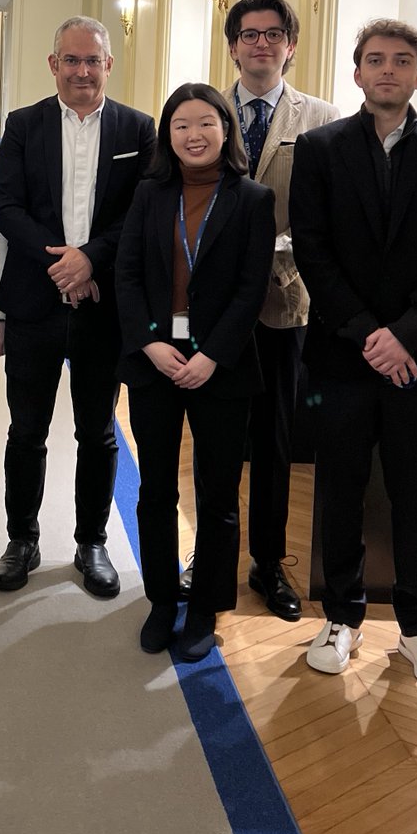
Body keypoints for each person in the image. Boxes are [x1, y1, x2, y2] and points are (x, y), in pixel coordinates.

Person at [290, 19, 417, 692]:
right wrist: (372, 333)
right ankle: (341, 617)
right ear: (357, 73)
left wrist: (405, 333)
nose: (389, 71)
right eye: (376, 60)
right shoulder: (318, 149)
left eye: (402, 61)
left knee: (414, 498)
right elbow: (312, 249)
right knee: (340, 490)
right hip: (343, 356)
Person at [183, 0, 338, 623]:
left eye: (274, 34)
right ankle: (210, 553)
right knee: (214, 439)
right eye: (249, 34)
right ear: (232, 45)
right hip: (210, 307)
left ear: (291, 45)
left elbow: (328, 214)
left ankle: (269, 561)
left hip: (282, 300)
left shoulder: (322, 117)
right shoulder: (204, 112)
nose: (261, 44)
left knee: (274, 440)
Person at [0, 16, 155, 599]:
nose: (82, 70)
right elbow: (6, 206)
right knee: (26, 430)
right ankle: (22, 539)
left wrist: (90, 261)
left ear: (109, 65)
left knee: (98, 432)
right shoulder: (23, 124)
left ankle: (92, 542)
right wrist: (61, 264)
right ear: (53, 64)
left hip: (103, 303)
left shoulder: (139, 128)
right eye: (71, 60)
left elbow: (139, 214)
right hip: (36, 300)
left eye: (93, 60)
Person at [116, 84, 275, 660]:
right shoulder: (149, 194)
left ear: (225, 129)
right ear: (168, 135)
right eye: (181, 125)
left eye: (206, 122)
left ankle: (205, 606)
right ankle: (162, 599)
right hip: (155, 362)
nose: (194, 135)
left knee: (218, 493)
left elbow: (250, 289)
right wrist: (152, 345)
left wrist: (212, 355)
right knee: (155, 489)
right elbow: (127, 276)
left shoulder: (254, 198)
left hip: (222, 367)